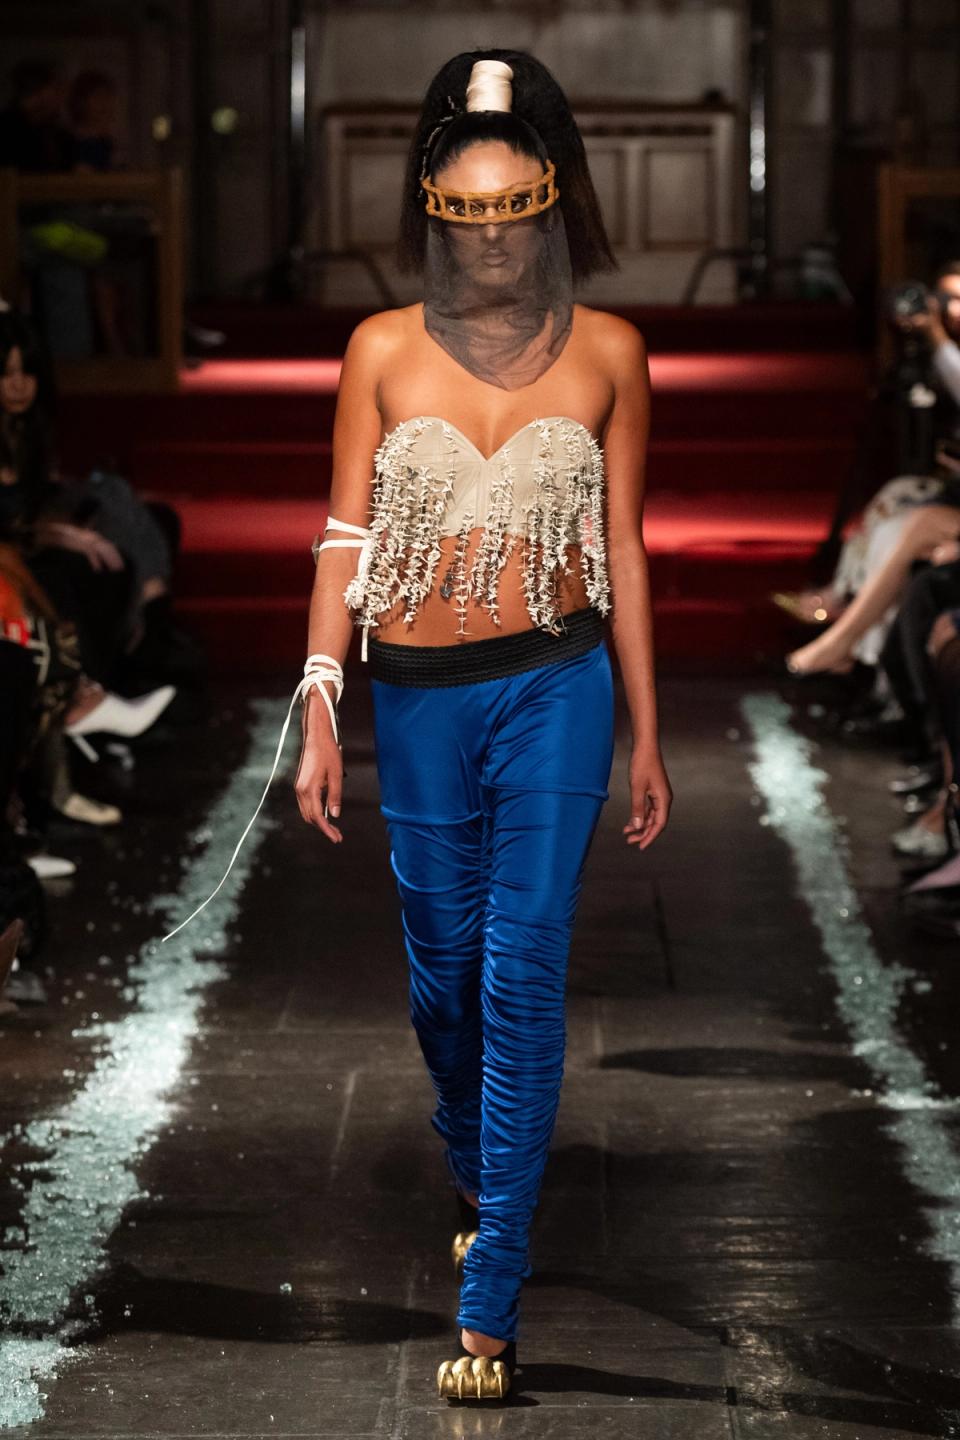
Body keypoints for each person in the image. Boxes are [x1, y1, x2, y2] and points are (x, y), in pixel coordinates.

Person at [295, 52, 670, 1400]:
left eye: (517, 209)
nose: (496, 236)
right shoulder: (381, 350)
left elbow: (623, 544)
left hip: (557, 684)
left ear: (549, 209)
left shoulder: (613, 352)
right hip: (416, 696)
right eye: (471, 212)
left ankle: (492, 1294)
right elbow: (346, 533)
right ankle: (476, 1160)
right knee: (444, 979)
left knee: (522, 972)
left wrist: (646, 729)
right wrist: (321, 698)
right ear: (435, 215)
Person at [781, 260, 960, 674]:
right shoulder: (937, 351)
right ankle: (843, 603)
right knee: (888, 502)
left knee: (910, 526)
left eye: (957, 299)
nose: (949, 310)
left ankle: (849, 644)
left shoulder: (945, 351)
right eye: (944, 299)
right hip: (950, 487)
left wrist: (936, 337)